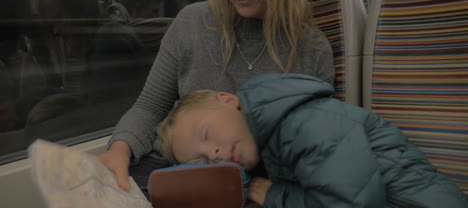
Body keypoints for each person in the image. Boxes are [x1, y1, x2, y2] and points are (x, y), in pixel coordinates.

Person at [97, 0, 336, 192]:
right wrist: (120, 149)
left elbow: (313, 147)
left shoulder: (312, 50)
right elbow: (150, 106)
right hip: (161, 166)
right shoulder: (191, 23)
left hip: (248, 182)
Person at [158, 73, 468, 208]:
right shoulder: (264, 139)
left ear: (227, 100)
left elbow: (352, 204)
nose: (212, 154)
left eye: (206, 135)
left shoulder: (302, 122)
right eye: (200, 162)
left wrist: (276, 197)